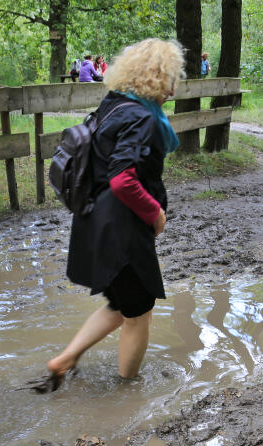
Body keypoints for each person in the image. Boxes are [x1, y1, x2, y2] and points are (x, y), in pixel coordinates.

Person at [44, 38, 184, 390]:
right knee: (139, 313)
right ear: (158, 78)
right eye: (172, 78)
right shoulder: (141, 118)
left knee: (120, 302)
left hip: (94, 219)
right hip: (121, 228)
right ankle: (127, 395)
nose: (174, 87)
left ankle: (66, 358)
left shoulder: (114, 105)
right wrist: (155, 215)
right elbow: (123, 179)